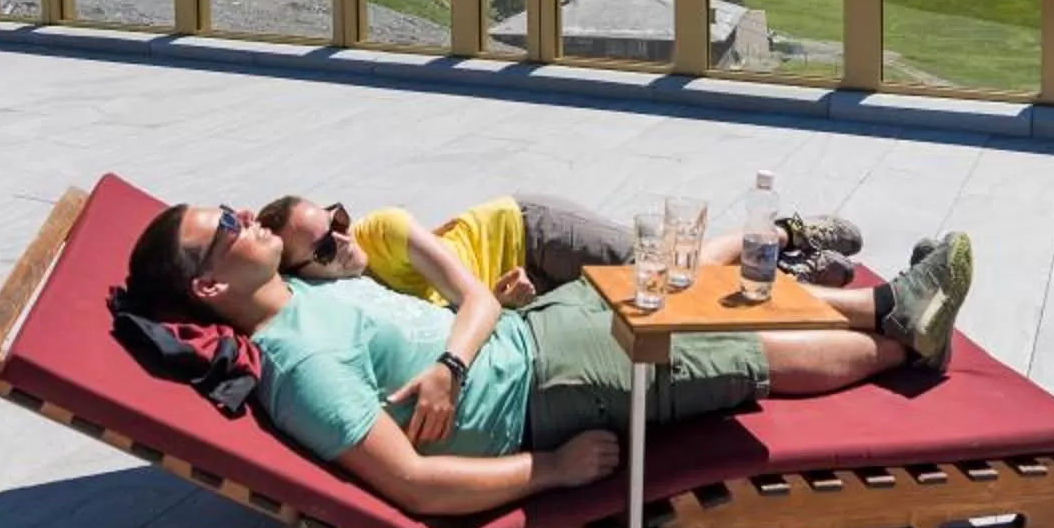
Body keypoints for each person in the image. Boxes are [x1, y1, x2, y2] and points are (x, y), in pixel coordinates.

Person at [121, 204, 976, 522]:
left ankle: (892, 304)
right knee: (745, 351)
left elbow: (465, 317)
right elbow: (413, 483)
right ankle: (904, 338)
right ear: (206, 289)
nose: (242, 219)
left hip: (531, 334)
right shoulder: (297, 362)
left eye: (230, 210)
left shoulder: (308, 298)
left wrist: (459, 356)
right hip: (548, 391)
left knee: (691, 288)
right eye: (224, 232)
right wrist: (553, 470)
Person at [257, 190, 866, 307]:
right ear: (303, 271)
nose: (345, 236)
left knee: (662, 269)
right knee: (655, 296)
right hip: (521, 288)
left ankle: (782, 235)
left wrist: (498, 301)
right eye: (326, 245)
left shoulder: (384, 228)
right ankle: (787, 267)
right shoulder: (342, 295)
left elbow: (468, 299)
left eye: (337, 217)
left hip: (532, 229)